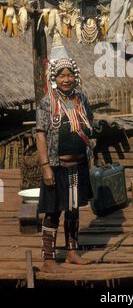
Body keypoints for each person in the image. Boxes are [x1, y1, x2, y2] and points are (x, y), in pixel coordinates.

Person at [36, 48, 94, 273]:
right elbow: (40, 134)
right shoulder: (47, 103)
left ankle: (71, 252)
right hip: (56, 166)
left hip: (78, 166)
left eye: (70, 75)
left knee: (73, 209)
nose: (66, 79)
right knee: (53, 211)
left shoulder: (82, 99)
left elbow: (90, 126)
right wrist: (45, 168)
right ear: (54, 78)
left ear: (75, 76)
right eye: (61, 75)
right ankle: (48, 258)